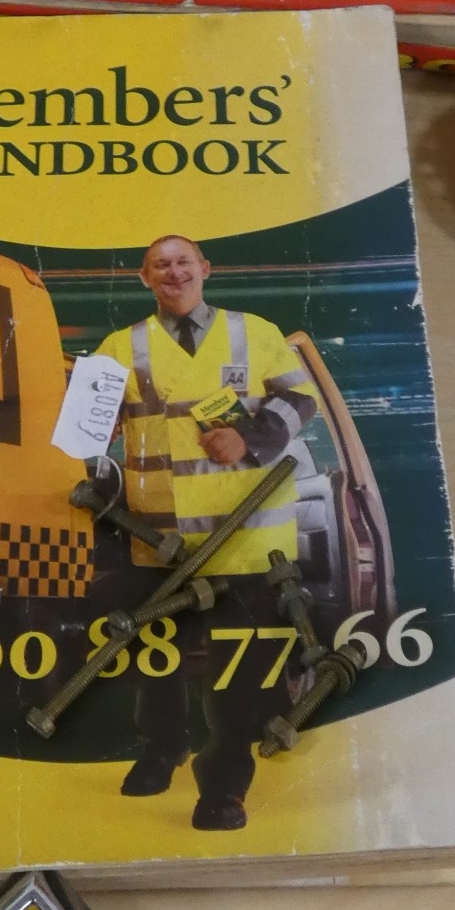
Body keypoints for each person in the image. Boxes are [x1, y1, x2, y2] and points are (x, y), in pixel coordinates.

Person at [93, 235, 316, 833]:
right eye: (160, 265)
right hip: (158, 535)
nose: (173, 272)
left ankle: (223, 786)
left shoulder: (254, 332)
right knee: (157, 657)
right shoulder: (119, 347)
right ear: (145, 278)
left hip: (245, 536)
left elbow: (301, 397)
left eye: (183, 262)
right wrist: (93, 429)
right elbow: (88, 425)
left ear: (205, 269)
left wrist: (250, 437)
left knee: (236, 673)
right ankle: (162, 748)